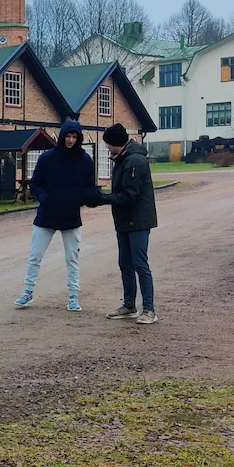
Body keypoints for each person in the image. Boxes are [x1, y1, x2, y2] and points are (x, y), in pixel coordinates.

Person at [14, 120, 95, 312]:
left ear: (79, 139)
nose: (70, 140)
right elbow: (36, 183)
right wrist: (44, 199)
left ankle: (73, 296)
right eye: (68, 136)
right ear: (62, 136)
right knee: (35, 255)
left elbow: (89, 187)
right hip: (47, 214)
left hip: (71, 215)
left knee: (72, 258)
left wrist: (82, 200)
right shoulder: (47, 158)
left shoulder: (85, 161)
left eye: (75, 137)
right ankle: (28, 291)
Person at [94, 123, 159, 325]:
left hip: (138, 220)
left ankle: (149, 309)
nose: (107, 148)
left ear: (116, 143)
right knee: (125, 263)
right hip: (124, 220)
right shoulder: (123, 159)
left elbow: (130, 196)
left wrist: (103, 199)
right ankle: (130, 305)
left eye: (108, 144)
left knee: (140, 264)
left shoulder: (134, 162)